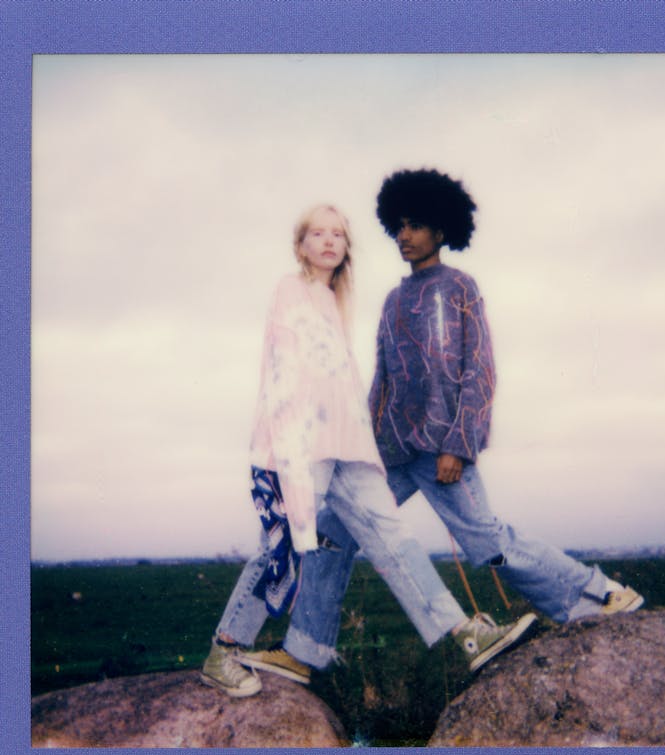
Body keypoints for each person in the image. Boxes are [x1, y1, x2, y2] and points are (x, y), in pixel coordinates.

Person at [238, 170, 644, 684]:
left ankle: (599, 593)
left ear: (442, 230)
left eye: (416, 226)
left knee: (488, 544)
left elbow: (480, 372)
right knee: (331, 535)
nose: (404, 236)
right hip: (388, 456)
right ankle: (305, 650)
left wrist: (458, 444)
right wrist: (358, 450)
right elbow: (379, 385)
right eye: (399, 227)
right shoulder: (391, 300)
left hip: (444, 454)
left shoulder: (460, 289)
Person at [200, 202, 536, 697]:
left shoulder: (335, 302)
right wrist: (287, 459)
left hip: (349, 451)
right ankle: (223, 651)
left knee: (393, 538)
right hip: (302, 447)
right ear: (301, 246)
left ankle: (465, 634)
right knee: (285, 546)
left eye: (338, 234)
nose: (330, 241)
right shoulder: (290, 291)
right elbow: (284, 376)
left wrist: (368, 446)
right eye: (318, 233)